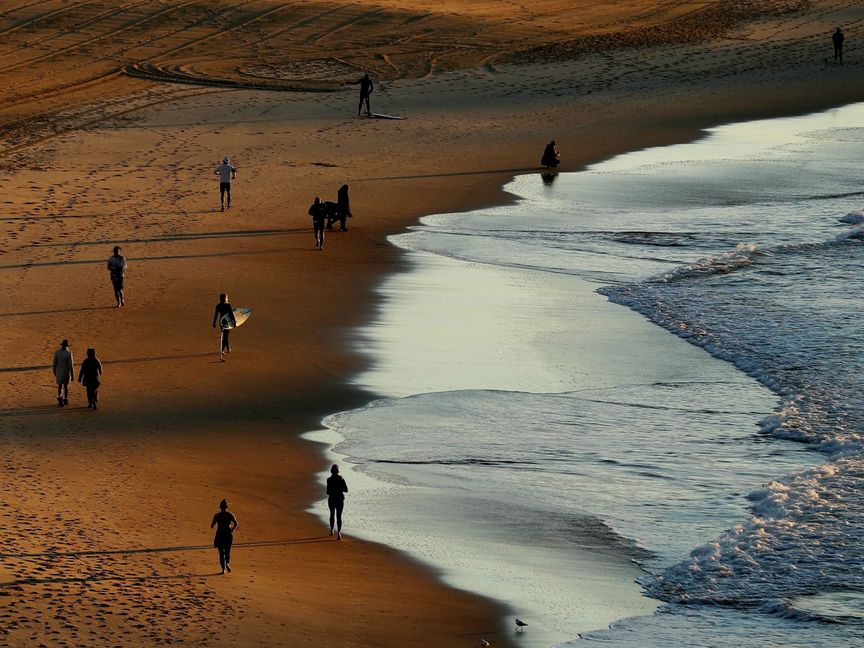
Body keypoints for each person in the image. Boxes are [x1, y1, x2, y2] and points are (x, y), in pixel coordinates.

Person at [210, 499, 238, 574]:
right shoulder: (230, 514)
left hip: (219, 534)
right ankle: (227, 563)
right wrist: (232, 529)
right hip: (228, 534)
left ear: (220, 507)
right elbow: (236, 523)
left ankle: (223, 569)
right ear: (227, 507)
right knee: (227, 551)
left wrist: (217, 522)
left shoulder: (217, 515)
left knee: (221, 553)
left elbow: (212, 526)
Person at [326, 464, 348, 540]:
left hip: (332, 499)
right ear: (338, 471)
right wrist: (339, 489)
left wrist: (333, 490)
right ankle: (339, 533)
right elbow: (346, 490)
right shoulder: (341, 479)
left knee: (332, 514)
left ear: (331, 471)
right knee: (339, 516)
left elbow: (327, 492)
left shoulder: (329, 480)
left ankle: (332, 530)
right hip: (339, 499)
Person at [212, 293, 235, 361]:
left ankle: (228, 348)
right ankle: (222, 350)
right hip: (227, 322)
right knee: (225, 336)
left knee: (225, 335)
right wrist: (234, 322)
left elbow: (216, 315)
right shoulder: (228, 305)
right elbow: (231, 315)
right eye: (227, 297)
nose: (227, 298)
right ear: (225, 298)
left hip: (221, 322)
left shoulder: (218, 306)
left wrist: (214, 323)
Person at [52, 339, 74, 407]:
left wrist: (54, 371)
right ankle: (65, 399)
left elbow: (54, 363)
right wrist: (72, 374)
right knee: (66, 387)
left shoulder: (57, 352)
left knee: (60, 386)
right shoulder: (69, 353)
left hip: (59, 371)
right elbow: (71, 365)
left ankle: (60, 396)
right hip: (66, 372)